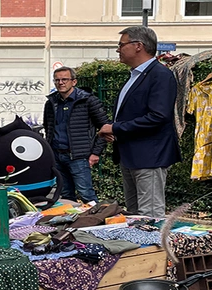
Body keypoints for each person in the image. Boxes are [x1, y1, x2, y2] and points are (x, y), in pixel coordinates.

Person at [99, 26, 180, 218]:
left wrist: (116, 128)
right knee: (134, 215)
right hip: (131, 155)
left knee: (149, 216)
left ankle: (154, 248)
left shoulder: (160, 75)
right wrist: (116, 130)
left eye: (121, 44)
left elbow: (158, 116)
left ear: (138, 46)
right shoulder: (135, 76)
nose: (118, 49)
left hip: (149, 156)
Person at [43, 66, 110, 203]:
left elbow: (106, 128)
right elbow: (48, 127)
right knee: (65, 196)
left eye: (64, 79)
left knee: (86, 195)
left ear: (74, 82)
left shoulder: (88, 101)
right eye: (57, 80)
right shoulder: (51, 103)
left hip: (79, 157)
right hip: (57, 156)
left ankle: (95, 222)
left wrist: (96, 153)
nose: (60, 83)